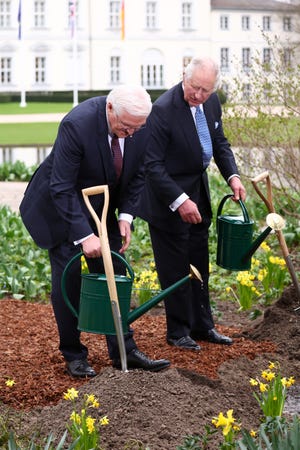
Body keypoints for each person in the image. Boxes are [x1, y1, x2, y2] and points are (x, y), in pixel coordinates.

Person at [19, 85, 170, 377]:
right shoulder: (78, 124)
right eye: (125, 128)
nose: (131, 134)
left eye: (136, 129)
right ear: (110, 109)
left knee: (115, 272)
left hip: (102, 204)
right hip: (61, 208)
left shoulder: (139, 124)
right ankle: (74, 354)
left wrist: (125, 216)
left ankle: (124, 350)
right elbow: (61, 186)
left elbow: (139, 173)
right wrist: (84, 235)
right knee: (70, 280)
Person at [137, 56, 246, 351]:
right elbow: (152, 166)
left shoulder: (211, 103)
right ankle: (178, 331)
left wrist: (232, 176)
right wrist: (180, 200)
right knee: (175, 268)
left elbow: (220, 143)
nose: (198, 95)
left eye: (205, 91)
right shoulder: (161, 110)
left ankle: (202, 325)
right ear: (183, 76)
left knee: (199, 263)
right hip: (168, 200)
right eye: (194, 87)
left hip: (198, 193)